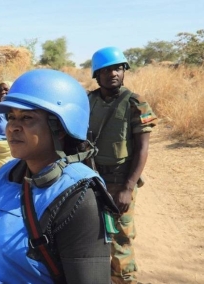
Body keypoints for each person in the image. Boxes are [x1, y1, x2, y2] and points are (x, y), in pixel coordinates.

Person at [0, 69, 119, 283]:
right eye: (11, 117)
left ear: (61, 128)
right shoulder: (6, 173)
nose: (12, 128)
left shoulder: (79, 197)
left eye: (27, 118)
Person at [88, 46, 158, 284]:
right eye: (106, 70)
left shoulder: (135, 103)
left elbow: (142, 148)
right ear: (96, 75)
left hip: (120, 181)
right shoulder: (88, 101)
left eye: (118, 68)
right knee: (91, 233)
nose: (113, 74)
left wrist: (128, 187)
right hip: (91, 179)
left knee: (121, 236)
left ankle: (123, 279)